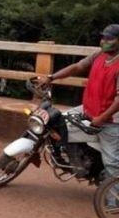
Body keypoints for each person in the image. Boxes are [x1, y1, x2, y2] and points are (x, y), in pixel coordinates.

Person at [38, 24, 119, 180]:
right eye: (103, 37)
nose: (104, 42)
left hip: (110, 121)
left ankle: (111, 201)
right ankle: (76, 158)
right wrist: (51, 78)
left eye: (110, 38)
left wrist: (102, 118)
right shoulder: (99, 55)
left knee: (112, 163)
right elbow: (77, 67)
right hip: (88, 110)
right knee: (57, 122)